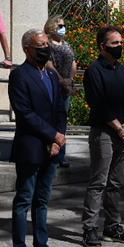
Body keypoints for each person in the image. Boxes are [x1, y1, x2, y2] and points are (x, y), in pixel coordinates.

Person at [7, 29, 68, 247]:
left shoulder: (51, 75)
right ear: (27, 49)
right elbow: (25, 113)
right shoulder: (20, 76)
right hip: (31, 147)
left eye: (46, 44)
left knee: (42, 200)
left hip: (53, 148)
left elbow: (60, 109)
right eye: (40, 45)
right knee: (24, 199)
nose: (45, 48)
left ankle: (41, 246)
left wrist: (58, 138)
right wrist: (52, 134)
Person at [80, 26, 124, 247]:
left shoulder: (121, 70)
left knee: (116, 183)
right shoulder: (94, 71)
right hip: (104, 132)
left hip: (123, 132)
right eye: (115, 43)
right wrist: (118, 126)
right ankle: (90, 228)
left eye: (121, 42)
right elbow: (98, 104)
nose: (120, 46)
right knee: (99, 182)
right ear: (102, 46)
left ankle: (113, 225)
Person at [44, 15, 76, 168]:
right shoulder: (49, 45)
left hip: (66, 87)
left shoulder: (67, 44)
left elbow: (73, 62)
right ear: (52, 27)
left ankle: (61, 155)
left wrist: (70, 79)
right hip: (53, 84)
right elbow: (48, 64)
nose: (63, 28)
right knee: (52, 120)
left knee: (62, 121)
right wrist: (60, 80)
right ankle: (50, 152)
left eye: (63, 25)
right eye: (60, 26)